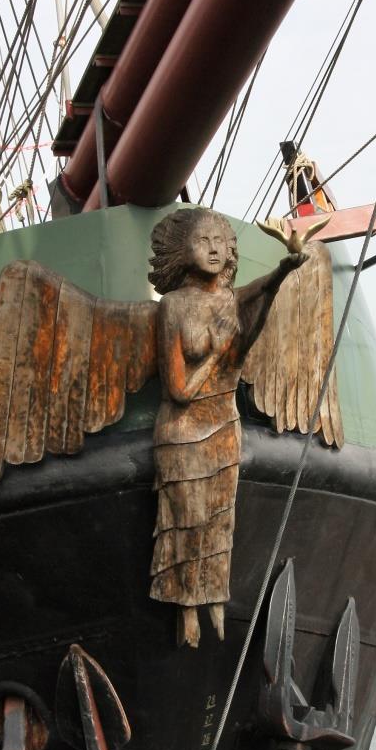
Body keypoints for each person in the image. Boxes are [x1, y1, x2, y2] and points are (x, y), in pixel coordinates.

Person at [147, 207, 306, 648]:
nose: (215, 248)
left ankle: (215, 602)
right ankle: (186, 611)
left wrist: (284, 268)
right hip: (182, 431)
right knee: (186, 519)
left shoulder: (229, 301)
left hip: (223, 427)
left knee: (219, 523)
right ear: (183, 251)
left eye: (221, 240)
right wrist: (217, 352)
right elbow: (178, 389)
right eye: (203, 241)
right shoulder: (174, 308)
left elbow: (253, 296)